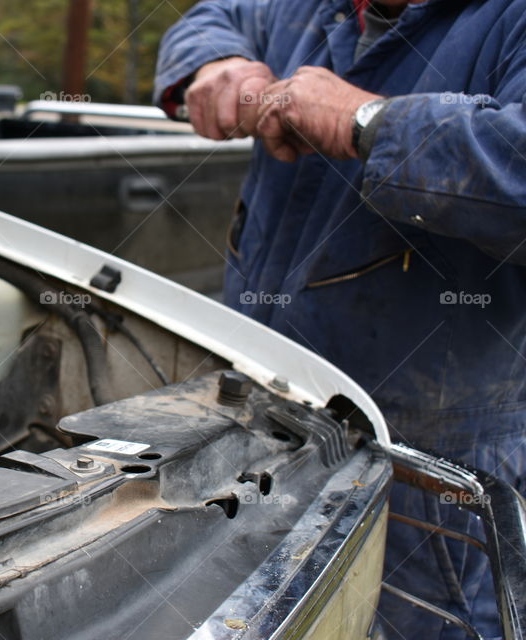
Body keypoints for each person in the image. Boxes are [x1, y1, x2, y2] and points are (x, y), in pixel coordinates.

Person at [155, 1, 526, 638]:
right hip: (259, 419)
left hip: (425, 465)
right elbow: (211, 15)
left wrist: (368, 121)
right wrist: (216, 64)